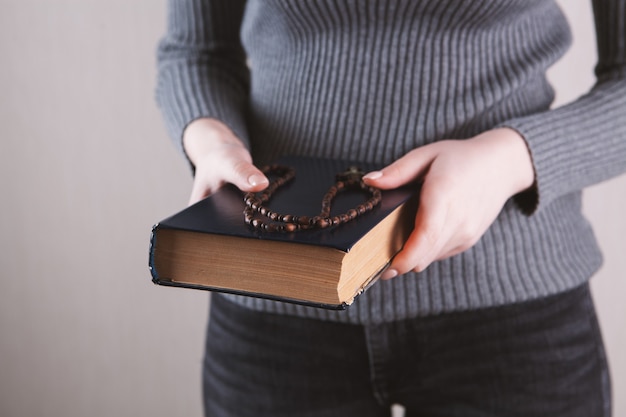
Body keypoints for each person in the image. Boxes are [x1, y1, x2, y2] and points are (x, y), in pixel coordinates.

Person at [155, 1, 625, 416]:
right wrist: (211, 140)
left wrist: (509, 160)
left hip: (515, 314)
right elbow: (196, 54)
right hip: (274, 303)